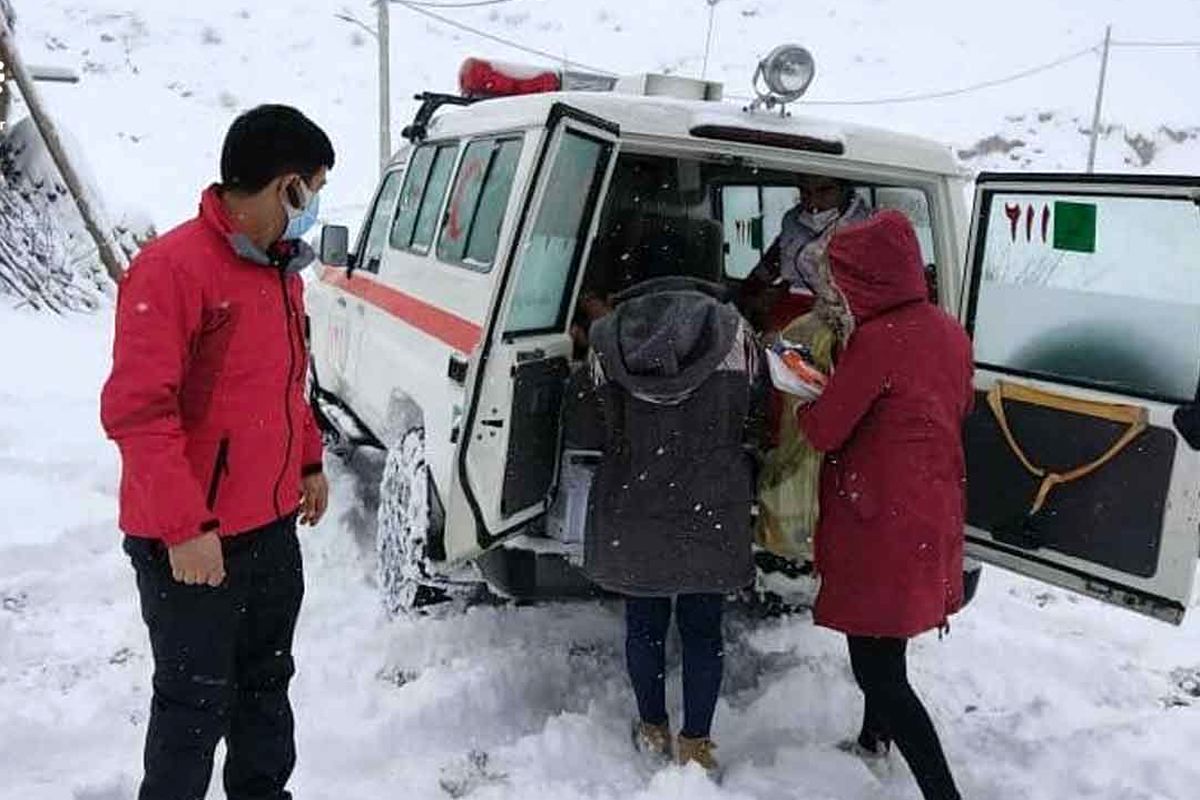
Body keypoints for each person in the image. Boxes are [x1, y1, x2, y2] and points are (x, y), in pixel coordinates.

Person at [100, 104, 334, 800]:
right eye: (313, 187)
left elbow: (288, 383)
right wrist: (186, 527)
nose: (315, 204)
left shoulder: (280, 271)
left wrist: (309, 460)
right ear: (285, 186)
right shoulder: (172, 269)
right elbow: (139, 412)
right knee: (192, 707)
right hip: (191, 545)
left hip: (267, 528)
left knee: (266, 687)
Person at [795, 210, 973, 800]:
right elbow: (954, 404)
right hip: (929, 507)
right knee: (886, 637)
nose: (840, 292)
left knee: (877, 668)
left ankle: (941, 792)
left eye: (845, 280)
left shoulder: (875, 342)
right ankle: (874, 742)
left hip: (880, 517)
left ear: (868, 279)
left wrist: (803, 397)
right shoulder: (948, 330)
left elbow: (825, 430)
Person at [578, 276, 762, 776]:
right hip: (713, 502)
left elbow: (592, 425)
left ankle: (653, 728)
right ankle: (697, 743)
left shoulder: (606, 340)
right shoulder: (738, 336)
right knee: (704, 629)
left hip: (636, 501)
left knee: (645, 624)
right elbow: (757, 411)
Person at [737, 175, 871, 334]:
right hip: (790, 308)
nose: (813, 202)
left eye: (824, 191)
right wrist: (752, 293)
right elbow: (774, 261)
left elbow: (866, 292)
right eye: (805, 192)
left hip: (839, 318)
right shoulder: (792, 220)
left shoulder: (868, 228)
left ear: (844, 191)